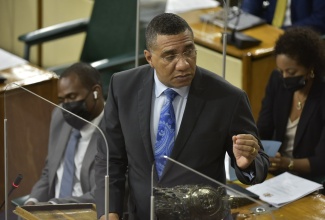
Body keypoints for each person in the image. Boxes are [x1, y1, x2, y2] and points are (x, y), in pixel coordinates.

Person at [95, 13, 269, 220]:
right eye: (170, 56)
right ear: (149, 58)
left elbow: (258, 164)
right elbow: (110, 159)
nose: (184, 64)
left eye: (189, 51)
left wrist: (247, 163)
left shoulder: (227, 98)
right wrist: (109, 212)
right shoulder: (122, 87)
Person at [25, 62, 105, 205]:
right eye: (62, 100)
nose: (66, 107)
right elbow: (50, 171)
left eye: (72, 97)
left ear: (96, 92)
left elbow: (102, 194)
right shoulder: (59, 117)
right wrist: (33, 201)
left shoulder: (113, 131)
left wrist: (54, 206)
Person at [257, 27, 325, 183]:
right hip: (276, 173)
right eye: (281, 71)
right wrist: (260, 152)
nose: (284, 77)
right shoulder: (276, 80)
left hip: (312, 180)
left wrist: (287, 164)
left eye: (291, 72)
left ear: (310, 68)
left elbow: (321, 162)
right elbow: (263, 129)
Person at [241, 0, 325, 35]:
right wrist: (243, 20)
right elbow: (249, 7)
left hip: (299, 36)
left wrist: (280, 31)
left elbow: (318, 21)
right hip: (268, 31)